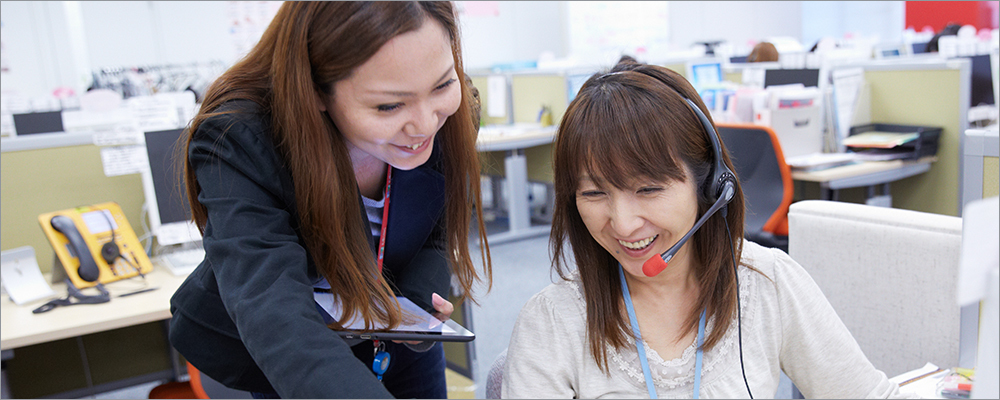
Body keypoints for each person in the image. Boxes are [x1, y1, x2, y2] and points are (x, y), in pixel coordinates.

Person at [502, 59, 907, 398]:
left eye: (647, 189)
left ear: (710, 184)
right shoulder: (552, 322)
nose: (623, 224)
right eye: (593, 194)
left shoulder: (766, 284)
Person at [167, 2, 492, 398]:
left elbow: (437, 230)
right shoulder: (242, 138)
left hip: (390, 335)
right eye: (389, 105)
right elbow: (275, 311)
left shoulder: (451, 115)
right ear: (316, 89)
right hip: (291, 354)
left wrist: (418, 304)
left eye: (443, 85)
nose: (425, 124)